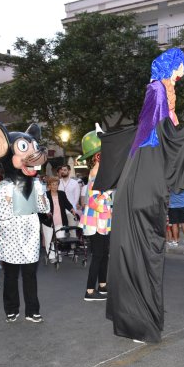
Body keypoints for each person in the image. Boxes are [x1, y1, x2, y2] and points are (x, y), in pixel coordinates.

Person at [95, 48, 184, 343]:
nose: (182, 72)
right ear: (172, 66)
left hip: (141, 186)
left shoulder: (158, 97)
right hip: (144, 188)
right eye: (181, 66)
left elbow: (160, 132)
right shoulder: (157, 92)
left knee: (139, 252)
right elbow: (170, 136)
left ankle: (137, 321)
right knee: (143, 253)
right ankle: (140, 323)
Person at [0, 122, 50, 323]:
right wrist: (10, 203)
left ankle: (32, 310)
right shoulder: (4, 187)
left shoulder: (37, 184)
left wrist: (42, 200)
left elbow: (45, 209)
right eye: (25, 148)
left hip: (30, 239)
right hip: (10, 239)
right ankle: (11, 308)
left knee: (30, 276)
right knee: (10, 276)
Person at [78, 128, 113, 302]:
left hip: (103, 222)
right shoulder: (95, 175)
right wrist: (107, 195)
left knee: (103, 254)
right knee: (98, 256)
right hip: (96, 222)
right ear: (97, 156)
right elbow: (94, 203)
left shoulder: (100, 174)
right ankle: (90, 291)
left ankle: (103, 285)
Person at [42, 176, 77, 264]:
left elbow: (67, 203)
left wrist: (72, 209)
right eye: (53, 185)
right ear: (49, 186)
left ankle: (59, 254)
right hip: (48, 221)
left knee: (60, 239)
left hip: (60, 220)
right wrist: (46, 212)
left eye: (56, 185)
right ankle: (51, 256)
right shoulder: (45, 195)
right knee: (49, 239)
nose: (55, 186)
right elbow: (41, 207)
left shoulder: (62, 193)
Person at [57, 164, 82, 236]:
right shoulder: (58, 182)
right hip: (60, 211)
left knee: (72, 230)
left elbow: (76, 198)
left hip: (71, 210)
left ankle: (73, 246)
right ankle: (62, 246)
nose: (63, 172)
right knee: (60, 230)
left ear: (69, 171)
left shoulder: (74, 183)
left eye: (65, 170)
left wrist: (72, 208)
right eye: (62, 170)